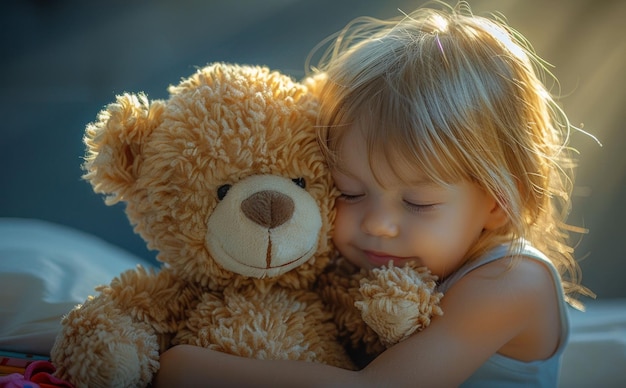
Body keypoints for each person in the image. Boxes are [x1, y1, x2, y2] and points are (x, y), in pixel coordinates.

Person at [154, 1, 596, 386]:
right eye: (348, 193)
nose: (376, 224)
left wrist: (181, 367)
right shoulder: (352, 263)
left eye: (418, 203)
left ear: (498, 202)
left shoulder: (513, 281)